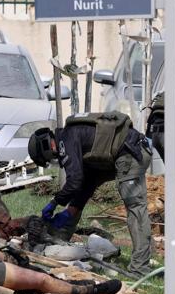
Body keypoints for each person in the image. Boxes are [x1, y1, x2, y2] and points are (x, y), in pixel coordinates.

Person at [28, 111, 153, 276]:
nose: (54, 160)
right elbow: (85, 183)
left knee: (135, 208)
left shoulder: (65, 141)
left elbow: (74, 181)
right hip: (122, 152)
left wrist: (54, 202)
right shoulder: (71, 136)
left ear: (46, 148)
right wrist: (69, 211)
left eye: (49, 159)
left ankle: (140, 268)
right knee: (83, 186)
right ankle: (60, 237)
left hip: (131, 152)